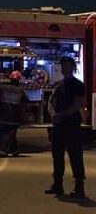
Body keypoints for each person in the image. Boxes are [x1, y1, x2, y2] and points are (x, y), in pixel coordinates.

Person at [45, 56, 86, 199]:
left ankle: (79, 187)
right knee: (57, 156)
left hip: (72, 124)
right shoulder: (58, 85)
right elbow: (51, 101)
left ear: (73, 67)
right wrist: (53, 114)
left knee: (75, 156)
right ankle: (57, 185)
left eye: (67, 66)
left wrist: (62, 114)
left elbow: (77, 104)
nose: (64, 69)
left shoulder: (78, 85)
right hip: (58, 125)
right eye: (63, 66)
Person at [0, 70, 25, 158]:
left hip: (4, 115)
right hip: (14, 117)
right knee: (11, 133)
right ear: (19, 80)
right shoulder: (20, 91)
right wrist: (23, 117)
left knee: (7, 133)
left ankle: (9, 151)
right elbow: (24, 104)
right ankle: (8, 150)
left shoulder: (4, 88)